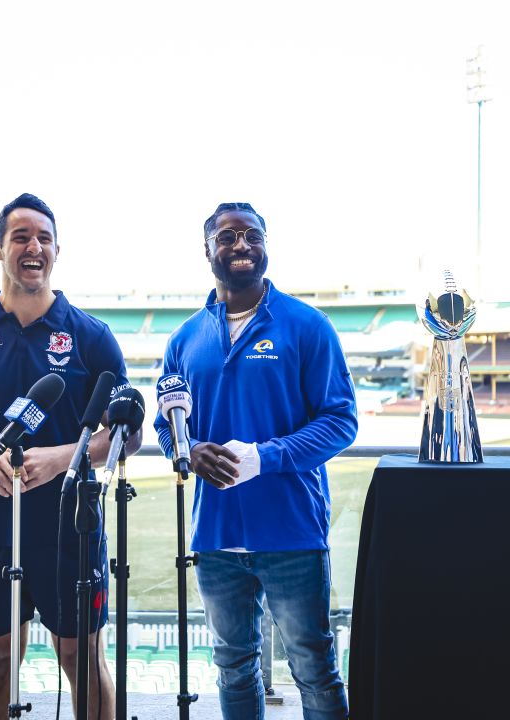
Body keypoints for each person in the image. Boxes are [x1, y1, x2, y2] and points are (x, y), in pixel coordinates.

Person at [0, 193, 136, 720]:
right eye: (21, 237)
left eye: (43, 238)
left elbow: (127, 434)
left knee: (81, 657)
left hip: (70, 527)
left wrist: (61, 458)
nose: (33, 247)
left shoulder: (91, 336)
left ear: (57, 251)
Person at [153, 202, 358, 719]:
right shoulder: (184, 340)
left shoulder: (307, 326)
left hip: (291, 529)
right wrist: (189, 449)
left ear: (266, 245)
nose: (241, 245)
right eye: (227, 237)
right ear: (208, 251)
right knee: (232, 664)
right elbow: (166, 422)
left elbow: (340, 421)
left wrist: (267, 457)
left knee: (313, 664)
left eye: (252, 235)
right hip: (216, 534)